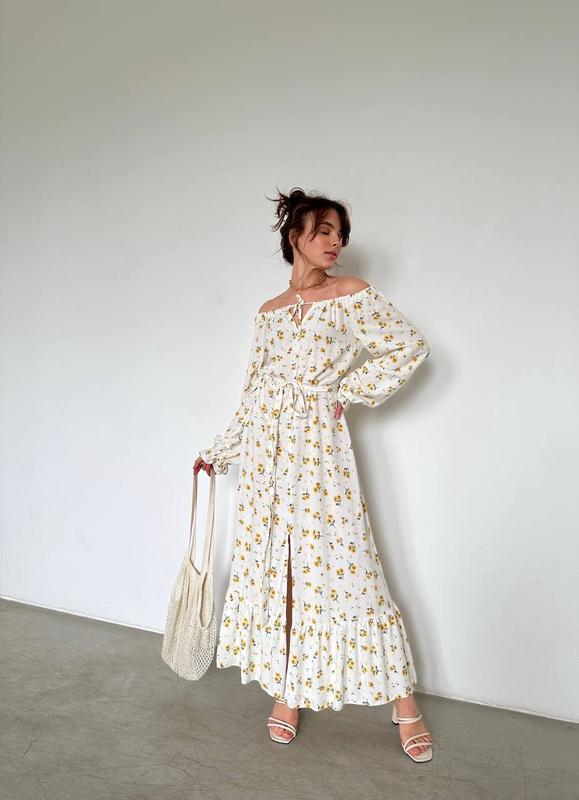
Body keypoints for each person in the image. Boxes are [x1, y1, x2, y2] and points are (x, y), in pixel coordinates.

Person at [194, 187, 433, 762]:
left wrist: (346, 392)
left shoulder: (350, 294)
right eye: (324, 231)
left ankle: (404, 703)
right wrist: (222, 450)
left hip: (319, 452)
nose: (335, 243)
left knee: (350, 568)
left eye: (340, 234)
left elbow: (408, 347)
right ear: (294, 235)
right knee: (279, 570)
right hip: (265, 459)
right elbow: (254, 391)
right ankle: (289, 690)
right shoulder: (269, 311)